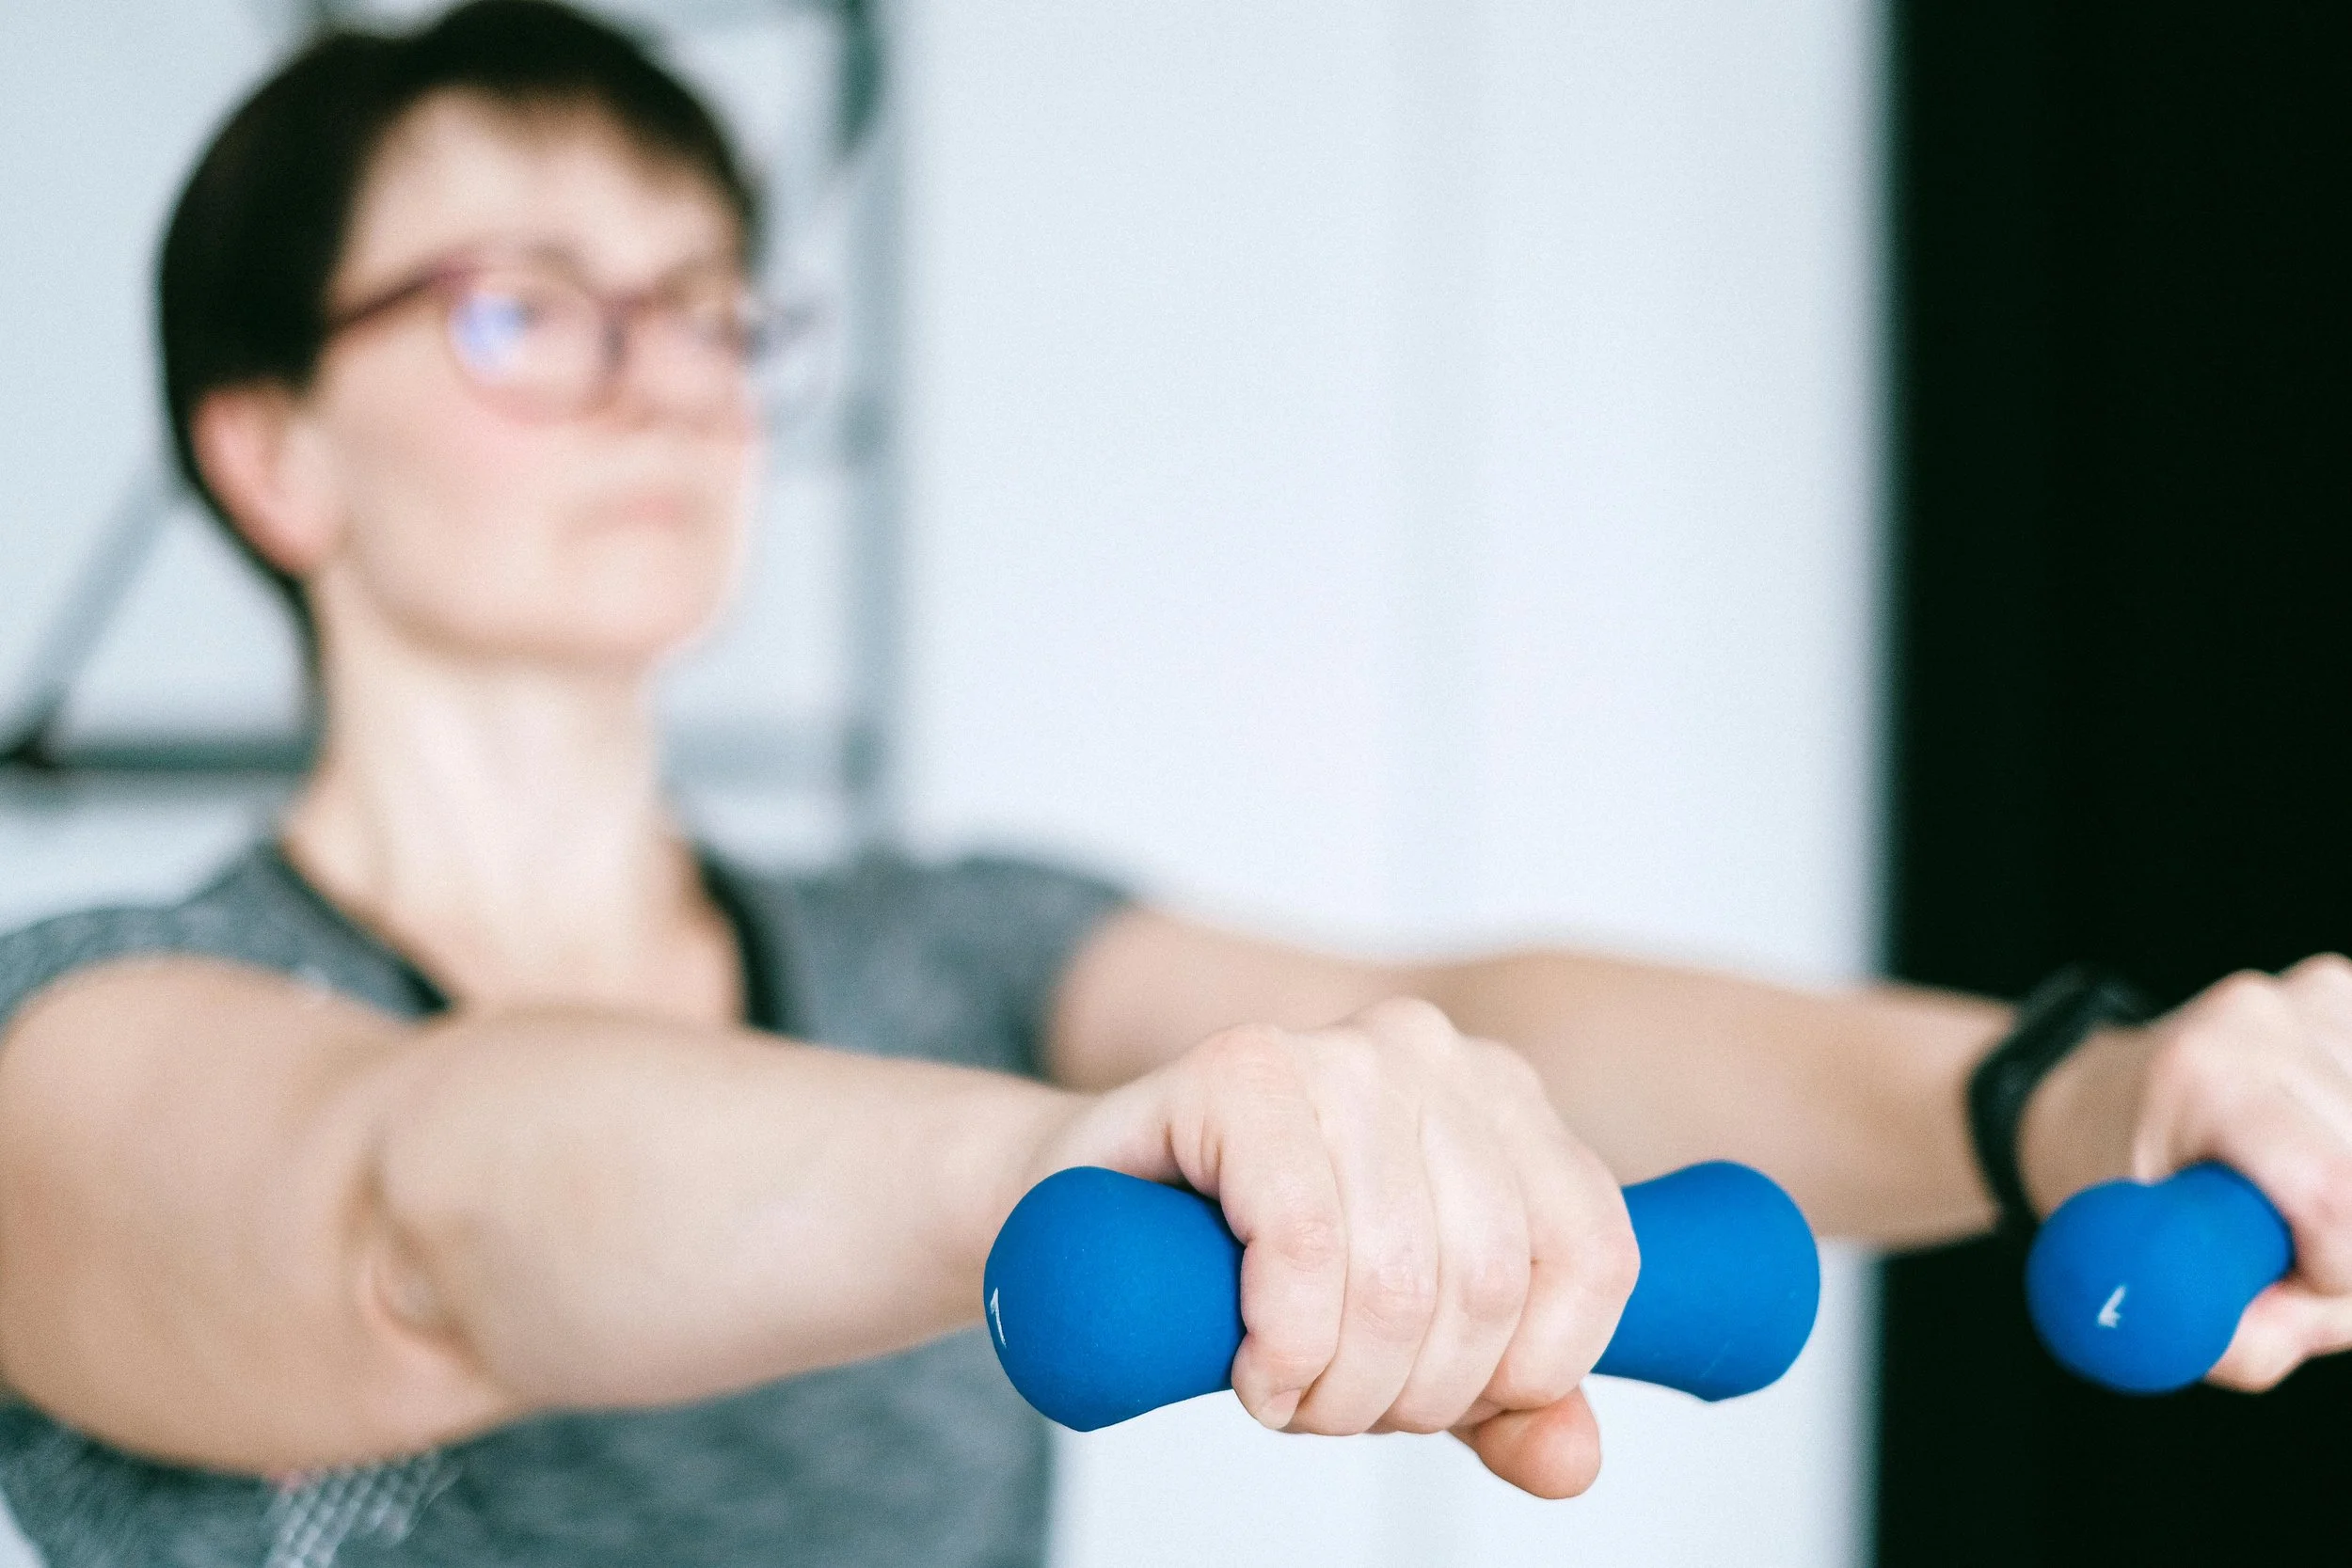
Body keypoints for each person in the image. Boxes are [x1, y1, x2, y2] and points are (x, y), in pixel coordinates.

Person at [1, 4, 2348, 1564]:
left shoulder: (949, 942)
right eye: (527, 309)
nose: (664, 383)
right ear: (271, 444)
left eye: (710, 305)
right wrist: (1054, 1160)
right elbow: (399, 1217)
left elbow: (1474, 1010)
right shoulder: (97, 1023)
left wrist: (2059, 1084)